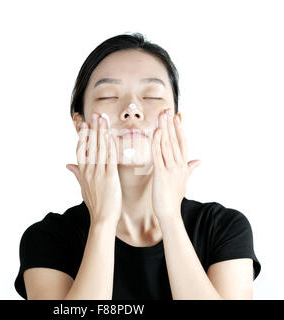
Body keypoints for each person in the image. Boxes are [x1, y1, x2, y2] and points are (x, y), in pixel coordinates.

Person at [14, 32, 261, 300]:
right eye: (109, 95)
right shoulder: (48, 239)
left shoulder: (223, 228)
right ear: (80, 123)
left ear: (177, 120)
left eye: (152, 96)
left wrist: (170, 217)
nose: (132, 109)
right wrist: (103, 222)